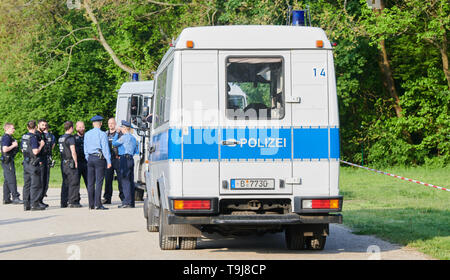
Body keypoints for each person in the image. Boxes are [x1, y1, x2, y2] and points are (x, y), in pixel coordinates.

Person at [84, 115, 111, 210]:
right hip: (99, 158)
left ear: (93, 124)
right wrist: (108, 160)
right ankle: (97, 204)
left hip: (90, 158)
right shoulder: (102, 134)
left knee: (90, 182)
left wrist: (88, 157)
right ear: (101, 123)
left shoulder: (87, 134)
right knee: (99, 181)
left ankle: (91, 204)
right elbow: (105, 148)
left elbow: (85, 148)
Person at [112, 120, 139, 208]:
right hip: (131, 159)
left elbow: (114, 143)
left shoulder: (124, 137)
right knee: (131, 181)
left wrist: (116, 133)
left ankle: (126, 202)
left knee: (125, 181)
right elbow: (136, 151)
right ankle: (131, 202)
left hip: (124, 159)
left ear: (124, 128)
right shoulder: (133, 138)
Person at [21, 120, 46, 211]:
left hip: (26, 162)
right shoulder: (33, 137)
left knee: (27, 184)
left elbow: (22, 150)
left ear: (27, 127)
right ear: (35, 127)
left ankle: (26, 204)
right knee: (36, 183)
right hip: (33, 163)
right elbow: (35, 151)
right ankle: (34, 204)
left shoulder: (24, 136)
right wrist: (41, 145)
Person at [59, 121, 81, 208]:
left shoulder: (61, 138)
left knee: (65, 182)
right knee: (74, 182)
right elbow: (73, 151)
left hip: (63, 162)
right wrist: (76, 162)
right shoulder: (70, 138)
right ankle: (73, 201)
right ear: (71, 128)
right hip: (70, 162)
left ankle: (63, 202)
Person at [102, 118, 124, 204]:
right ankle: (107, 198)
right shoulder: (105, 134)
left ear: (115, 124)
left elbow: (123, 144)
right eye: (109, 123)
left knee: (120, 179)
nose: (110, 125)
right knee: (108, 179)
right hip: (108, 159)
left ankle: (123, 197)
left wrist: (120, 155)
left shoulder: (119, 134)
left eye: (112, 123)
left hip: (117, 158)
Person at [1, 123, 22, 204]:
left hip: (6, 160)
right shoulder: (6, 137)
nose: (14, 130)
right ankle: (15, 197)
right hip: (8, 161)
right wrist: (14, 145)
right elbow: (5, 149)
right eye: (13, 128)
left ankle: (6, 198)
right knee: (12, 179)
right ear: (8, 128)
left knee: (7, 179)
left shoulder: (6, 137)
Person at [37, 119, 54, 208]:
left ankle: (41, 199)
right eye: (42, 125)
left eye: (45, 125)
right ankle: (37, 200)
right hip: (39, 161)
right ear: (38, 125)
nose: (44, 127)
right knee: (40, 181)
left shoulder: (44, 135)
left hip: (46, 159)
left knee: (45, 181)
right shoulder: (36, 135)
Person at [74, 121, 87, 204]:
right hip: (77, 162)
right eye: (79, 127)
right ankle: (76, 200)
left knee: (89, 182)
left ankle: (93, 200)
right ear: (76, 128)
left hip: (86, 162)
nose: (81, 129)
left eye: (82, 127)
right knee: (76, 182)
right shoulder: (73, 138)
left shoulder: (87, 137)